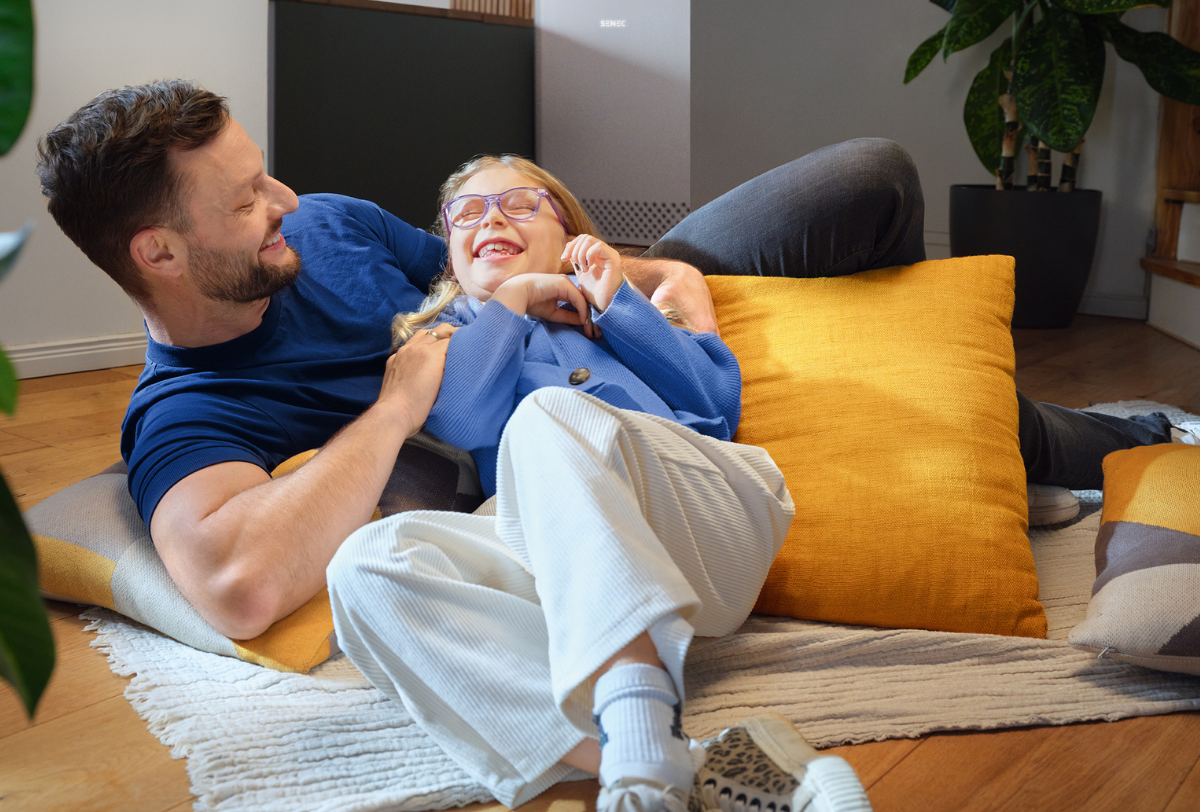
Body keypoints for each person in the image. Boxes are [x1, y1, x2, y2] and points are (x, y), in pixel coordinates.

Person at [35, 79, 1190, 811]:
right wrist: (398, 404)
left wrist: (636, 279)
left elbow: (471, 251)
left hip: (596, 353)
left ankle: (1093, 441)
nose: (287, 199)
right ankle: (671, 768)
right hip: (539, 457)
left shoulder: (326, 225)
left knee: (871, 181)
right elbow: (233, 580)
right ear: (160, 255)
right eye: (244, 201)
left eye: (266, 171)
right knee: (366, 571)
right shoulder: (186, 412)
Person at [326, 153, 870, 811]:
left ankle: (642, 761)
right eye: (468, 212)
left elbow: (711, 407)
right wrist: (514, 299)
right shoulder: (446, 337)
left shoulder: (628, 311)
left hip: (701, 518)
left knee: (547, 415)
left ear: (572, 235)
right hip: (559, 562)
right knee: (364, 566)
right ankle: (678, 766)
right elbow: (467, 409)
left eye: (520, 204)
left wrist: (618, 303)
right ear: (451, 253)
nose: (491, 217)